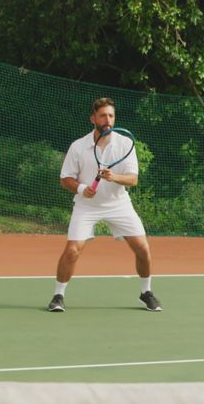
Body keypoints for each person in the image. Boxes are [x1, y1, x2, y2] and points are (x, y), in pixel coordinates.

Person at [48, 97, 162, 312]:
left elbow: (133, 179)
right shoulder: (79, 146)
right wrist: (82, 189)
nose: (107, 119)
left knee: (143, 249)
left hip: (119, 204)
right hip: (86, 206)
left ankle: (146, 292)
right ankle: (58, 296)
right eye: (103, 115)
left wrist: (114, 177)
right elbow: (65, 179)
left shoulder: (125, 144)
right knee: (72, 251)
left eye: (111, 115)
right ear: (93, 118)